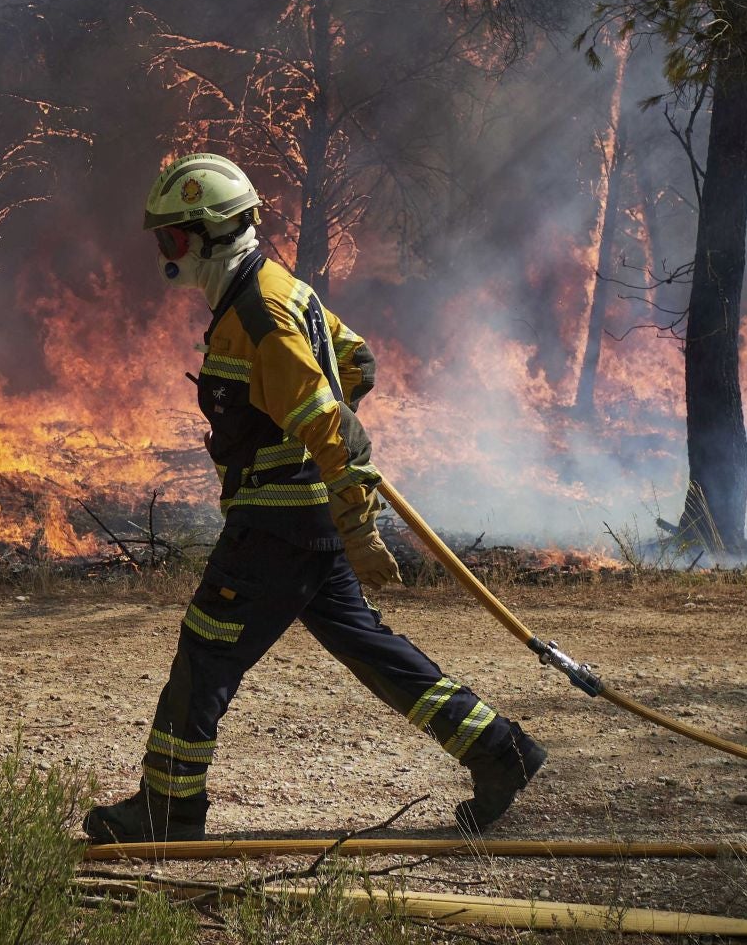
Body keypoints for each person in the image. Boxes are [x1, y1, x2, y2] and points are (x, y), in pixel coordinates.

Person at [82, 152, 546, 844]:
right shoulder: (278, 291)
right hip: (303, 518)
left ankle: (167, 809)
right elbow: (357, 361)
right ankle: (496, 749)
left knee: (205, 654)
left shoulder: (262, 313)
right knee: (367, 646)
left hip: (277, 525)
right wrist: (312, 435)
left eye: (172, 237)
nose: (164, 252)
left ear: (210, 235)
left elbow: (334, 424)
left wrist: (357, 523)